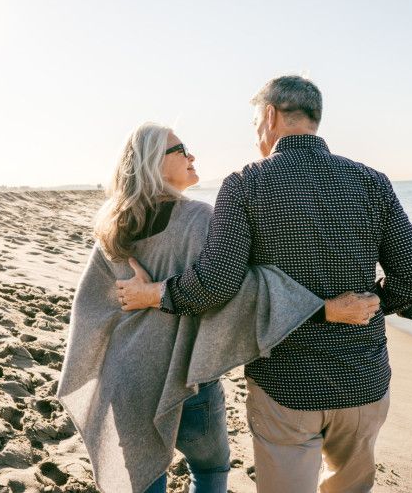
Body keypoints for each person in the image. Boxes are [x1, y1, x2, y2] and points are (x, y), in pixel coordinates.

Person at [117, 76, 412, 493]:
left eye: (253, 124)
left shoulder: (246, 183)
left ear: (269, 116)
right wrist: (374, 301)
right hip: (364, 379)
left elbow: (216, 284)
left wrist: (156, 294)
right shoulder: (372, 181)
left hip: (286, 383)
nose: (255, 137)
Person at [57, 122, 378, 493]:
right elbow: (236, 290)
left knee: (143, 480)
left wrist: (136, 307)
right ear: (152, 164)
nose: (191, 155)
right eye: (181, 150)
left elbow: (90, 308)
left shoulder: (112, 225)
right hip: (188, 377)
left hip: (126, 379)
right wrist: (323, 308)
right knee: (210, 471)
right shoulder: (198, 219)